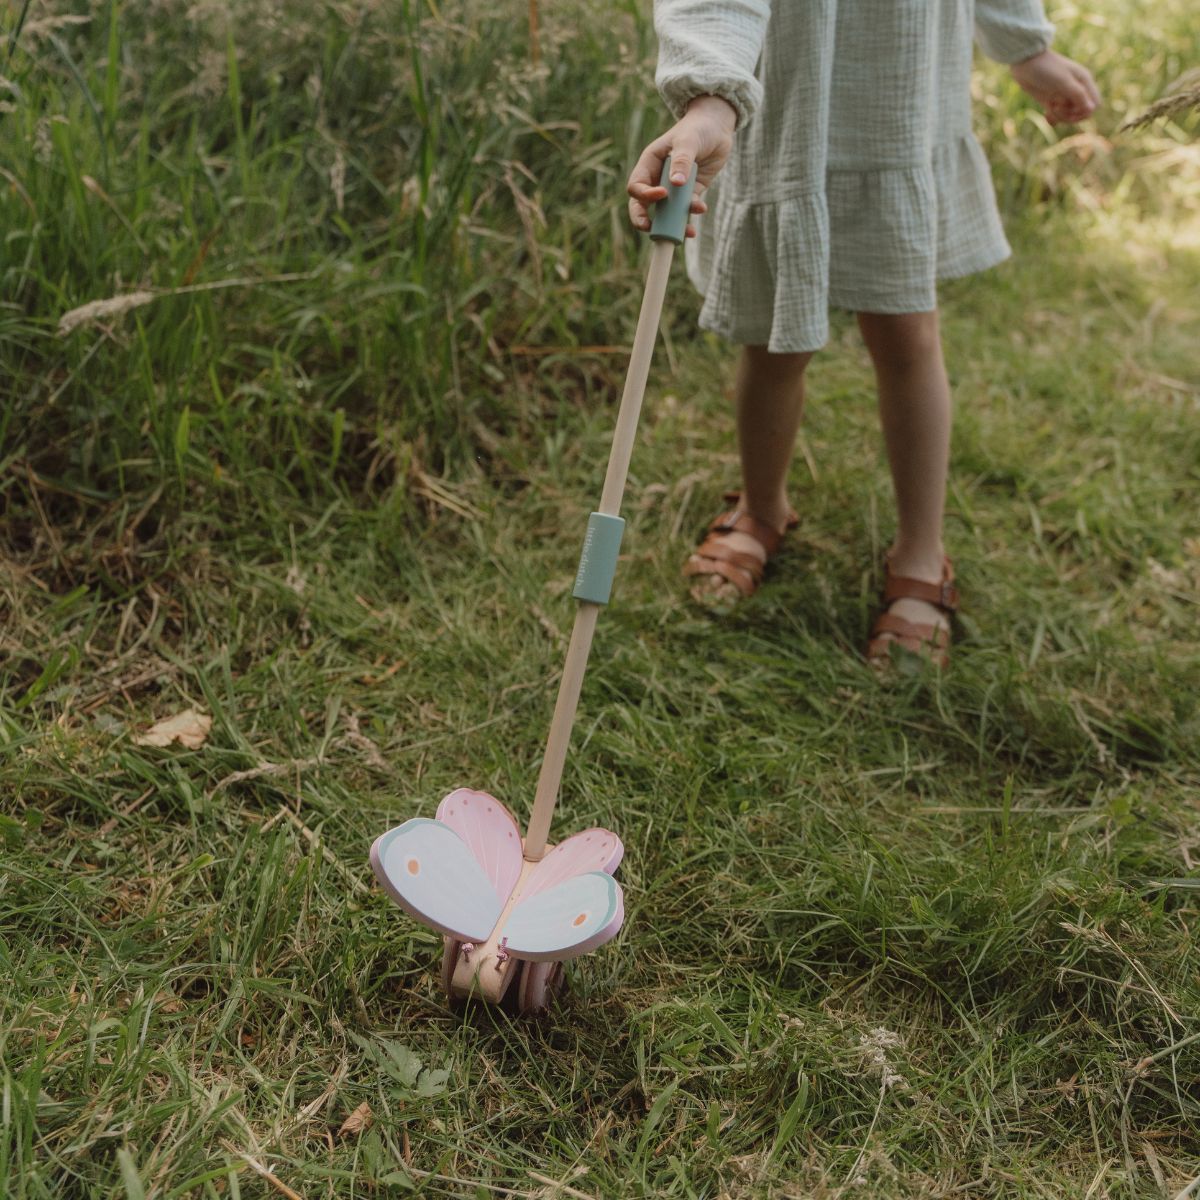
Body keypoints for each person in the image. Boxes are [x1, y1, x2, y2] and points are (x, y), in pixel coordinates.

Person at [627, 0, 1099, 667]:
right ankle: (762, 508)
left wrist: (1025, 48)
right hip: (787, 108)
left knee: (908, 337)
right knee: (773, 338)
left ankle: (921, 551)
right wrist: (710, 98)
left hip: (899, 103)